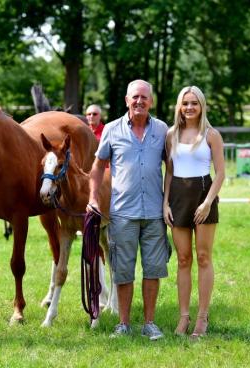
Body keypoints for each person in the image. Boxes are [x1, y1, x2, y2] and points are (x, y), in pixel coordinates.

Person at [87, 79, 170, 340]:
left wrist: (167, 201)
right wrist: (93, 198)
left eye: (144, 97)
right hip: (122, 213)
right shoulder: (111, 130)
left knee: (153, 269)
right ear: (126, 100)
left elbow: (171, 168)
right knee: (123, 271)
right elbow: (98, 167)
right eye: (135, 97)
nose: (139, 101)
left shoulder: (162, 130)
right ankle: (123, 324)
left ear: (151, 102)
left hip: (155, 213)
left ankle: (149, 323)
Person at [163, 86, 225, 339]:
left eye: (194, 103)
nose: (189, 108)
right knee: (184, 260)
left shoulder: (211, 135)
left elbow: (220, 172)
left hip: (203, 195)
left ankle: (202, 318)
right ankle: (184, 317)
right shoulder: (171, 134)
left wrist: (208, 202)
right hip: (177, 196)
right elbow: (169, 171)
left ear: (202, 106)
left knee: (203, 257)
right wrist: (165, 203)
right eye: (185, 103)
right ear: (179, 106)